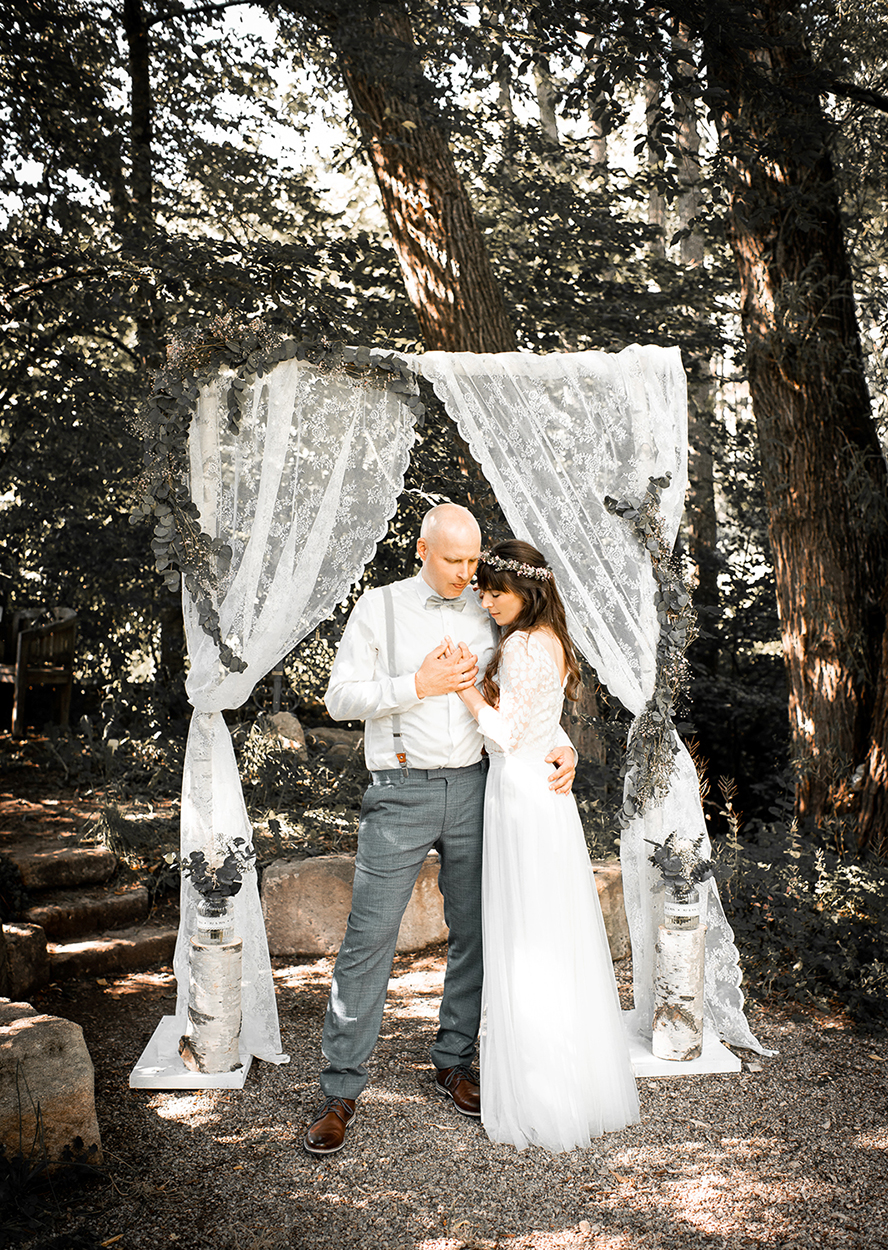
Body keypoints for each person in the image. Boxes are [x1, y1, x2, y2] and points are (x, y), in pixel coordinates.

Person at [303, 505, 577, 1155]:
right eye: (454, 559)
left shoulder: (490, 607)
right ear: (421, 549)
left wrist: (562, 742)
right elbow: (338, 697)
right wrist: (415, 685)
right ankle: (340, 1089)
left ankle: (454, 1060)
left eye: (474, 560)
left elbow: (526, 692)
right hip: (400, 789)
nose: (466, 573)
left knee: (477, 932)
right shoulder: (379, 608)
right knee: (370, 936)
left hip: (482, 789)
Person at [450, 538, 640, 1152]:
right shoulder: (548, 640)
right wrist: (565, 744)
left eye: (495, 592)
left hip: (521, 794)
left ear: (526, 590)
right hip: (539, 792)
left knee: (526, 933)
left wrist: (462, 688)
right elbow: (541, 718)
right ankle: (563, 1078)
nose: (486, 601)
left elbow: (507, 732)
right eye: (482, 591)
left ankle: (539, 1092)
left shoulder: (524, 645)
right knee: (548, 930)